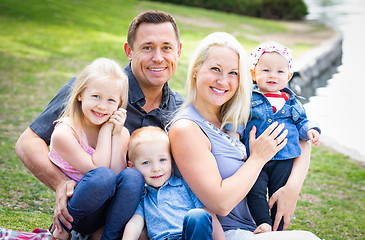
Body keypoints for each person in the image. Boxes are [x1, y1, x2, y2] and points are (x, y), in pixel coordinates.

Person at [15, 10, 184, 239]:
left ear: (178, 51)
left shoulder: (181, 113)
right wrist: (61, 183)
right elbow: (27, 143)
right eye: (147, 47)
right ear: (129, 52)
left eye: (166, 47)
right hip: (89, 209)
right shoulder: (93, 91)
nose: (158, 57)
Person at [168, 32, 320, 239]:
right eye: (215, 69)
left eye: (233, 73)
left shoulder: (238, 113)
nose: (223, 81)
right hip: (225, 232)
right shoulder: (187, 128)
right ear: (196, 71)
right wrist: (258, 158)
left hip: (255, 228)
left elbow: (301, 138)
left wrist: (292, 188)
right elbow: (220, 204)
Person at [227, 41, 321, 233]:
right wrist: (234, 136)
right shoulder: (248, 98)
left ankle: (277, 229)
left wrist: (311, 130)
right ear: (253, 74)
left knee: (279, 192)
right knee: (255, 191)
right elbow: (238, 119)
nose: (272, 75)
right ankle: (263, 223)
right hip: (255, 158)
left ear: (288, 76)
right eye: (266, 70)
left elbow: (302, 121)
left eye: (280, 72)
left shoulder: (292, 101)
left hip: (284, 157)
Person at [48, 57, 139, 240]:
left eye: (111, 100)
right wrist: (106, 131)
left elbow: (117, 174)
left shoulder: (121, 133)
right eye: (96, 96)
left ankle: (109, 237)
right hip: (79, 213)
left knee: (132, 176)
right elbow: (99, 171)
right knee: (102, 176)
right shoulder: (65, 133)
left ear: (120, 104)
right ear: (80, 94)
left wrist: (115, 134)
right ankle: (63, 232)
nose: (102, 106)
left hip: (108, 213)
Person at [123, 126, 225, 240]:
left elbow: (208, 215)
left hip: (190, 236)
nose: (156, 168)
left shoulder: (185, 185)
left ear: (171, 160)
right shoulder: (142, 196)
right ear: (132, 167)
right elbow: (135, 224)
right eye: (146, 162)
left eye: (162, 160)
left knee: (197, 215)